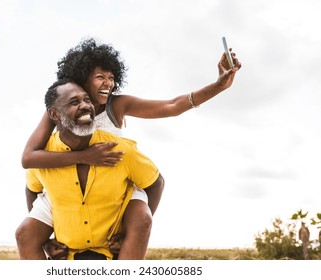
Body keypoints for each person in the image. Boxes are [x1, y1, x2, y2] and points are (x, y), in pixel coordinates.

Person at [17, 38, 241, 259]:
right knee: (27, 231)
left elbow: (172, 105)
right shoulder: (61, 110)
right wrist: (85, 157)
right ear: (82, 78)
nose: (108, 83)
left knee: (142, 218)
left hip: (115, 180)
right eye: (100, 77)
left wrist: (219, 85)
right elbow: (29, 158)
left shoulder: (117, 104)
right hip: (68, 184)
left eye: (111, 78)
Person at [17, 81, 164, 260]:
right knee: (23, 233)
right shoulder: (44, 155)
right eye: (74, 102)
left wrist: (128, 234)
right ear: (54, 114)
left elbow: (156, 183)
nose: (86, 106)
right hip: (69, 248)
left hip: (110, 246)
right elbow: (32, 189)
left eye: (87, 100)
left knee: (143, 219)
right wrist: (46, 239)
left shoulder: (118, 149)